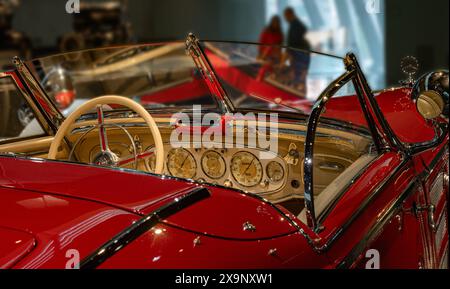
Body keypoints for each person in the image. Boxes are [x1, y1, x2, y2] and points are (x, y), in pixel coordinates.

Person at [283, 7, 311, 95]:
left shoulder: (295, 25)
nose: (285, 18)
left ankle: (299, 96)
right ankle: (300, 95)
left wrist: (288, 52)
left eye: (286, 16)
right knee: (300, 76)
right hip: (301, 53)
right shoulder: (295, 24)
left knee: (299, 77)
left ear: (289, 14)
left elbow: (293, 41)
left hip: (300, 54)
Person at [257, 15, 283, 81]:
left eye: (277, 23)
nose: (276, 25)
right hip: (265, 56)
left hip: (274, 57)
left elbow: (279, 47)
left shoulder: (280, 34)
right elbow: (261, 43)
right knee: (263, 70)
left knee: (273, 72)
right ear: (272, 23)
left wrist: (278, 57)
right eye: (274, 23)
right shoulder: (266, 31)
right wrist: (261, 55)